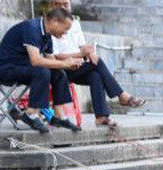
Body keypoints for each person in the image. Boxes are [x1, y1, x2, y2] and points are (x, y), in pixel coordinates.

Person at [49, 0, 146, 129]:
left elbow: (82, 45)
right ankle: (122, 96)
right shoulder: (51, 25)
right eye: (58, 4)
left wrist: (90, 52)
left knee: (96, 75)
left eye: (65, 4)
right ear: (52, 6)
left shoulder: (75, 23)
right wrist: (81, 55)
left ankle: (101, 117)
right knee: (98, 63)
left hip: (77, 66)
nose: (62, 7)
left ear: (70, 6)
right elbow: (54, 56)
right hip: (60, 69)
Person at [0, 7, 83, 133]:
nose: (66, 33)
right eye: (66, 28)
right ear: (55, 21)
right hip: (6, 69)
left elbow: (52, 62)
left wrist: (67, 65)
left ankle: (58, 116)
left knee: (59, 74)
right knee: (42, 71)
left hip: (23, 67)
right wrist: (64, 62)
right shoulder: (32, 28)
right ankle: (31, 114)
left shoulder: (47, 35)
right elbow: (35, 60)